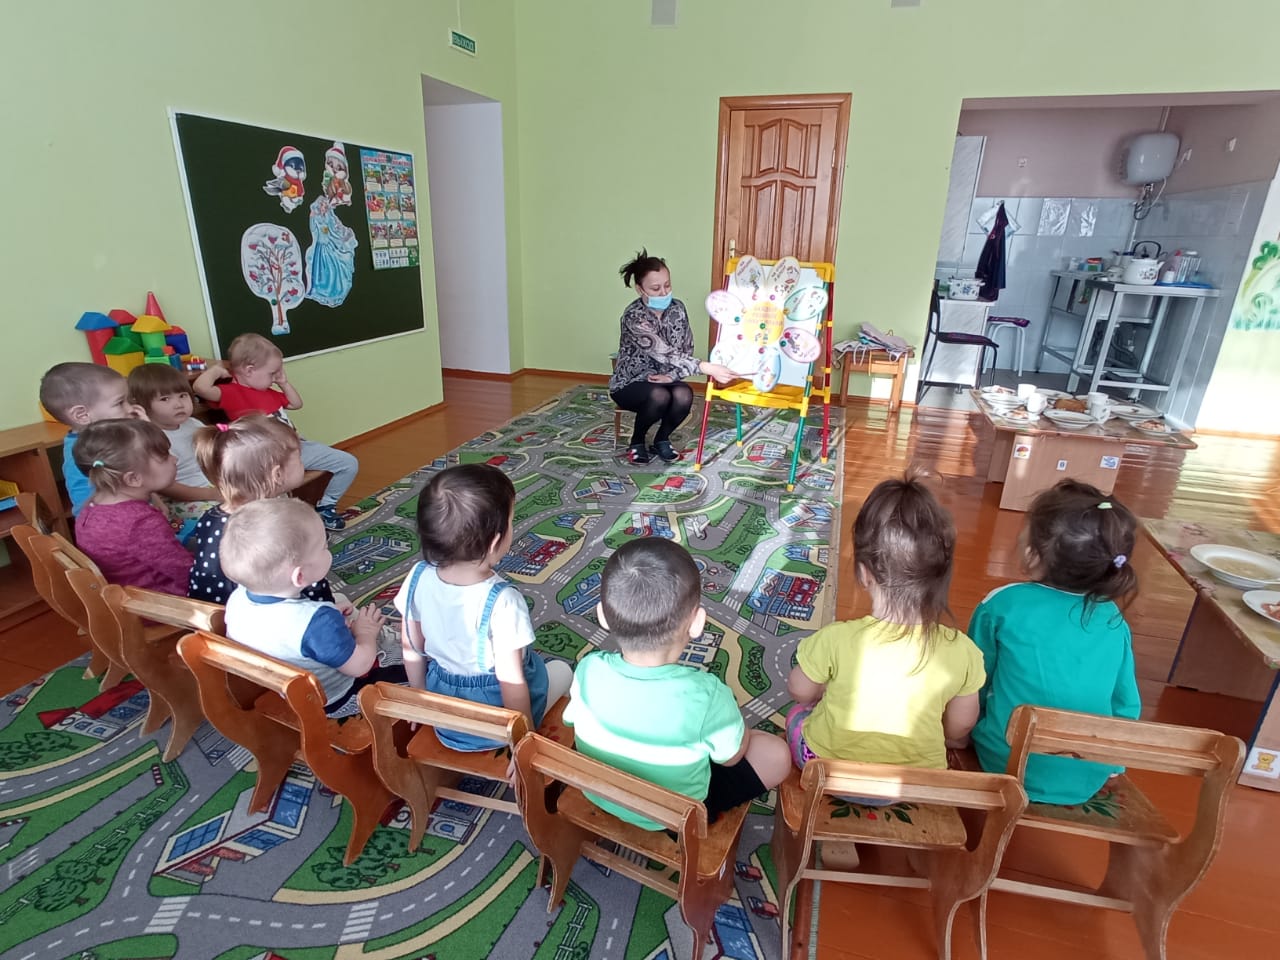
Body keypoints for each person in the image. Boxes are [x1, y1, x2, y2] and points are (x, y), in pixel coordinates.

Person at [565, 538, 791, 829]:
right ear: (697, 623)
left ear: (602, 616)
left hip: (601, 793)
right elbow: (731, 758)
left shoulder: (588, 668)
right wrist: (742, 734)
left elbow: (572, 720)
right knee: (775, 753)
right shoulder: (706, 694)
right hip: (676, 814)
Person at [786, 471, 985, 774]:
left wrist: (818, 694)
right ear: (939, 576)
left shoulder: (835, 638)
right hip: (918, 779)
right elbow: (961, 726)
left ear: (864, 573)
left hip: (830, 772)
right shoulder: (964, 651)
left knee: (797, 715)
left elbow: (799, 689)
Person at [968, 480, 1141, 804]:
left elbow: (974, 680)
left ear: (1033, 554)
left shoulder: (1003, 604)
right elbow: (1125, 702)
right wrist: (1114, 765)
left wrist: (958, 734)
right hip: (1089, 774)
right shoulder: (1113, 619)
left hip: (1005, 761)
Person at [395, 463, 573, 750]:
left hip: (444, 716)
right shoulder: (504, 601)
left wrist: (420, 700)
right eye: (512, 520)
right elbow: (511, 682)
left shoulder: (417, 577)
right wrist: (522, 743)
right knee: (562, 670)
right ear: (494, 542)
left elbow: (412, 648)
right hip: (495, 726)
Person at [221, 498, 402, 718]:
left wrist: (326, 624)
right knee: (416, 665)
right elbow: (360, 666)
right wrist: (365, 633)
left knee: (340, 606)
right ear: (300, 576)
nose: (328, 549)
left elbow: (287, 630)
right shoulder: (318, 622)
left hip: (291, 688)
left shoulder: (237, 599)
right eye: (324, 546)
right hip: (340, 697)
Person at [192, 333, 357, 530]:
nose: (275, 377)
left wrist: (283, 383)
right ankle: (291, 526)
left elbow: (296, 404)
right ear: (249, 370)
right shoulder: (232, 393)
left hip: (297, 447)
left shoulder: (268, 391)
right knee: (278, 494)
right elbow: (200, 387)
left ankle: (326, 506)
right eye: (272, 373)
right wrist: (215, 371)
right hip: (268, 459)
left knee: (348, 463)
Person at [186, 414, 338, 607]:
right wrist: (329, 609)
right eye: (299, 458)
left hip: (216, 613)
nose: (303, 463)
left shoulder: (210, 517)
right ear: (277, 474)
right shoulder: (278, 527)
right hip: (260, 618)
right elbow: (309, 581)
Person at [610, 249, 735, 465]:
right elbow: (662, 351)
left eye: (667, 285)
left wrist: (672, 376)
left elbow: (685, 349)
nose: (663, 293)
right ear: (640, 289)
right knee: (659, 396)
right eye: (655, 288)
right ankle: (637, 441)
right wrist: (705, 367)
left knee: (684, 395)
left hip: (664, 379)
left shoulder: (678, 309)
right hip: (631, 383)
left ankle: (661, 439)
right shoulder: (633, 316)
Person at [72, 419, 194, 595]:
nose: (174, 459)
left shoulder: (90, 507)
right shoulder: (140, 522)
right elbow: (185, 571)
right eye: (164, 456)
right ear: (133, 479)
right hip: (161, 600)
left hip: (123, 595)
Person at [127, 364, 220, 541]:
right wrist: (212, 494)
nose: (178, 404)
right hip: (180, 500)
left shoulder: (194, 424)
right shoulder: (150, 438)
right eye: (165, 399)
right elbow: (166, 487)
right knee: (224, 517)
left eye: (183, 395)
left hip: (211, 486)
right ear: (141, 405)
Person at [39, 362, 138, 516]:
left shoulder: (110, 436)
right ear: (81, 415)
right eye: (120, 403)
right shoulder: (80, 455)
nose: (131, 409)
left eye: (129, 400)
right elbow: (86, 511)